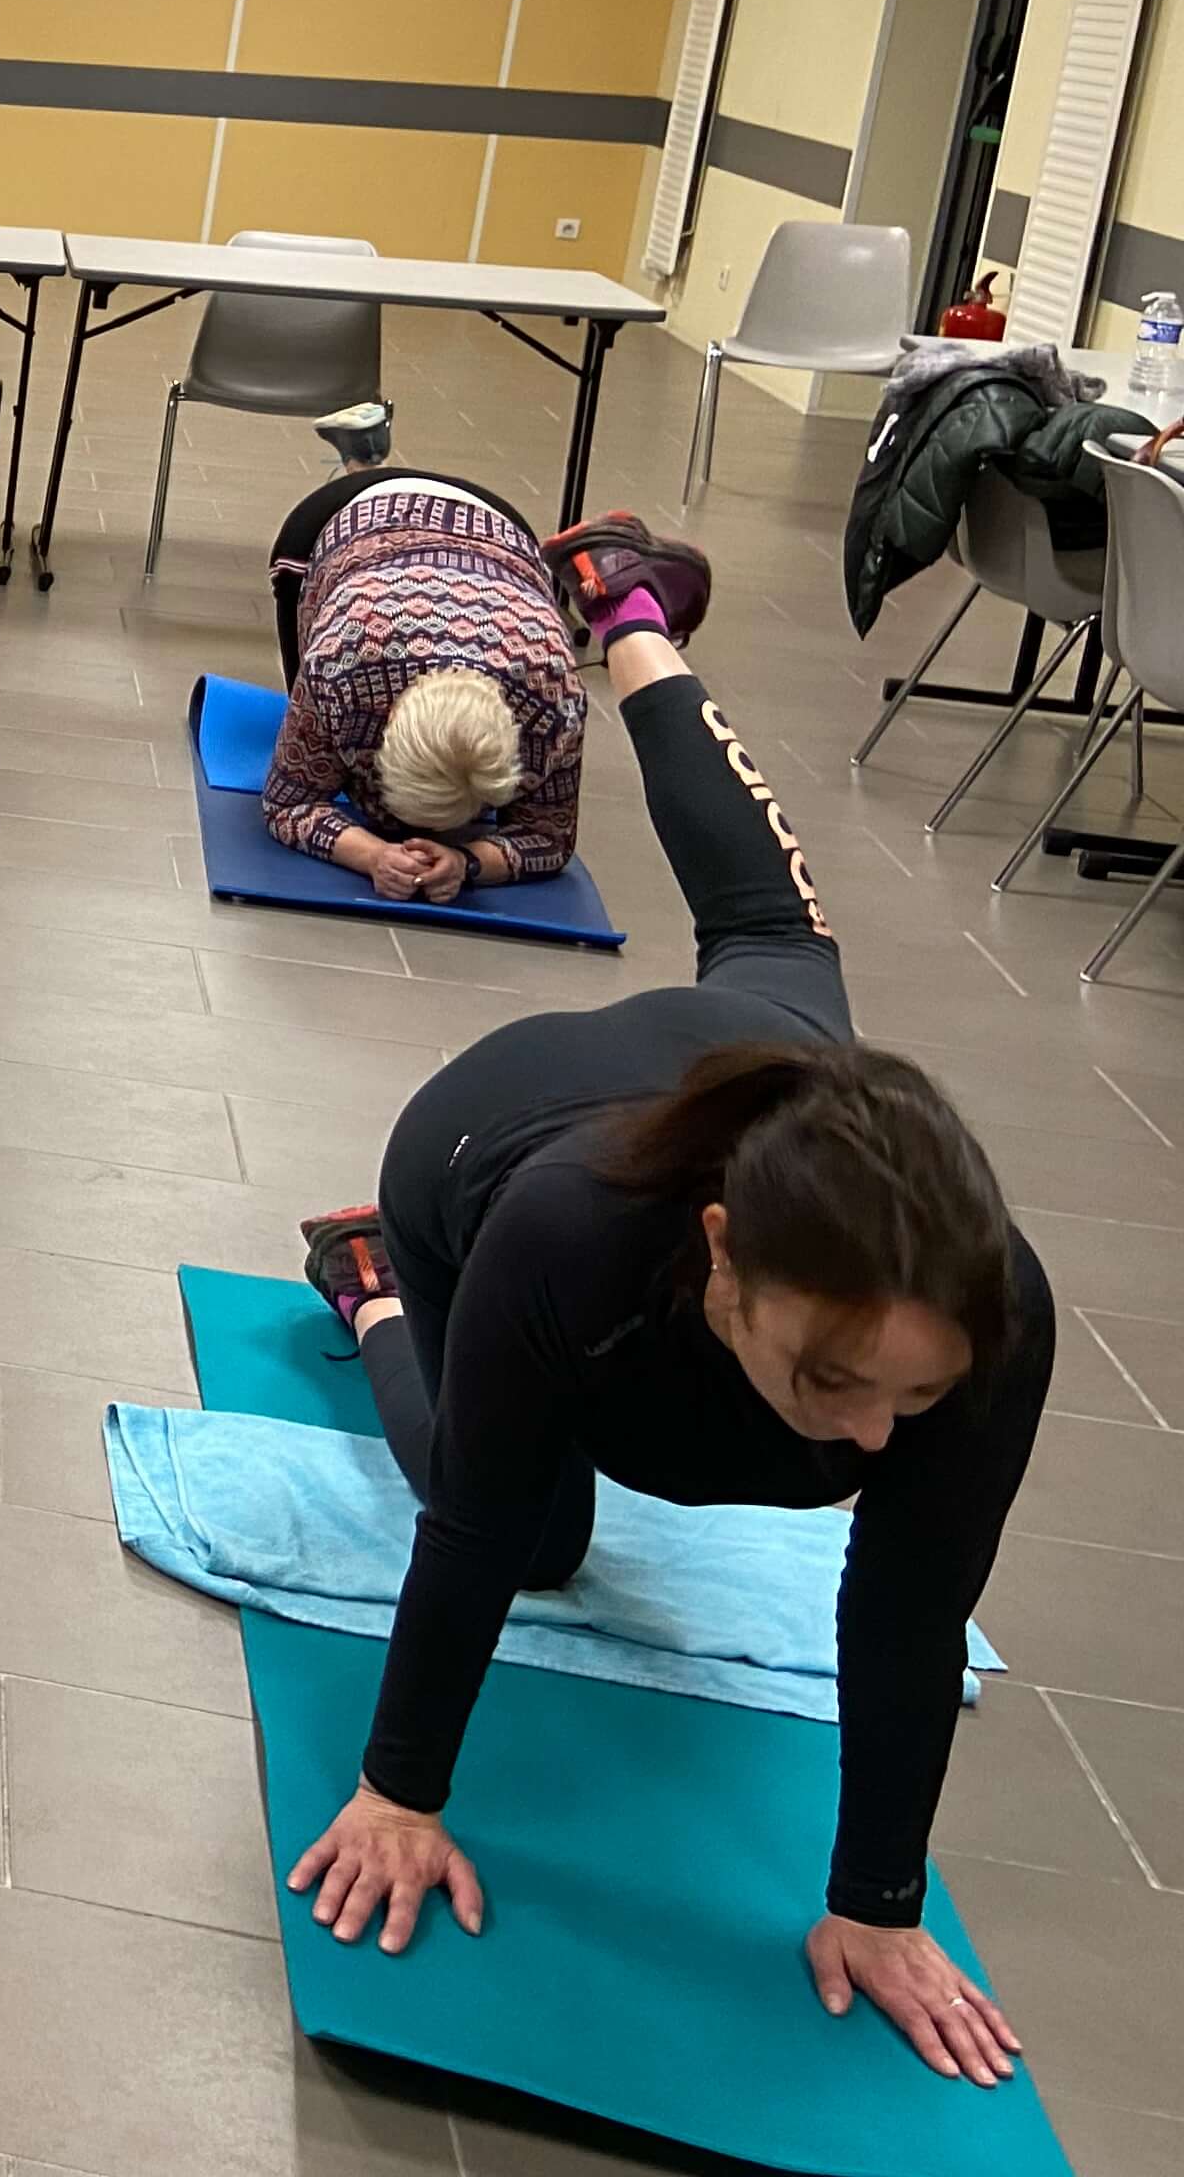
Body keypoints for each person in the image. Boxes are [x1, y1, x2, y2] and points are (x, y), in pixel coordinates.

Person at [286, 517, 1050, 2093]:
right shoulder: (575, 1246)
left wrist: (879, 1907)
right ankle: (363, 1286)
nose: (871, 1435)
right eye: (835, 1380)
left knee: (773, 927)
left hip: (755, 1049)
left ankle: (630, 614)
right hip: (475, 1149)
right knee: (546, 1539)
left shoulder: (985, 1309)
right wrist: (402, 1790)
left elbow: (907, 1607)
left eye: (907, 1399)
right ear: (720, 1261)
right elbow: (478, 1540)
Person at [263, 454, 623, 903]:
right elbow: (287, 802)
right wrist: (372, 853)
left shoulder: (554, 696)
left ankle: (365, 455)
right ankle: (359, 463)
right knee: (307, 733)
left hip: (496, 528)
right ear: (386, 718)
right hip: (345, 520)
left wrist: (468, 862)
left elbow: (550, 837)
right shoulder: (343, 663)